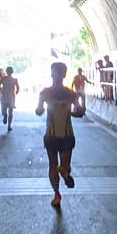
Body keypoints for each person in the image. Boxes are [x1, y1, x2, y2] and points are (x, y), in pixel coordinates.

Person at [35, 61, 85, 208]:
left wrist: (44, 110)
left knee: (52, 165)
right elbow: (80, 111)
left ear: (51, 74)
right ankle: (64, 173)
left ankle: (56, 194)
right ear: (64, 74)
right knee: (65, 165)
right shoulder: (71, 93)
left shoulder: (44, 93)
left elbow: (38, 111)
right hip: (67, 135)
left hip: (51, 135)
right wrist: (68, 113)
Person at [0, 65, 19, 131]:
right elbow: (18, 87)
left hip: (4, 97)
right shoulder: (14, 80)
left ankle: (4, 115)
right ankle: (9, 126)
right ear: (12, 72)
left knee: (3, 109)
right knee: (11, 112)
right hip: (11, 98)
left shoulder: (3, 79)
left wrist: (1, 91)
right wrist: (16, 93)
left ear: (6, 72)